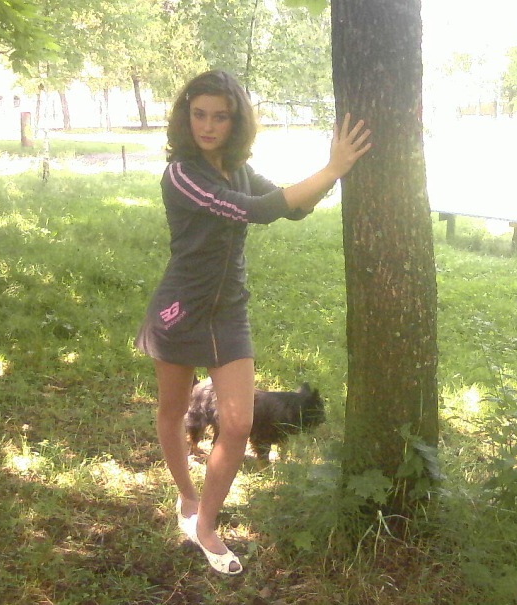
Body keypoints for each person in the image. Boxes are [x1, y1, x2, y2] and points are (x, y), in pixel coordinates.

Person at [134, 70, 371, 575]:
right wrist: (331, 168)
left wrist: (336, 172)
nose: (207, 126)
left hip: (229, 311)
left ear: (236, 122)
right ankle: (186, 497)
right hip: (180, 309)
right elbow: (258, 211)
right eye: (199, 114)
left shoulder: (238, 168)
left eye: (220, 117)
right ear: (186, 117)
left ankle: (205, 525)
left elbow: (292, 208)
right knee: (173, 410)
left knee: (238, 423)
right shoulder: (181, 174)